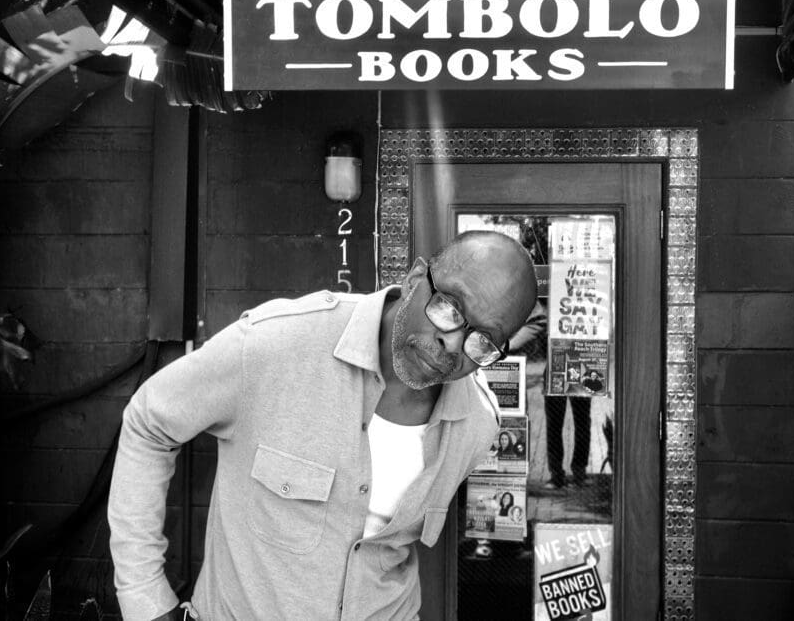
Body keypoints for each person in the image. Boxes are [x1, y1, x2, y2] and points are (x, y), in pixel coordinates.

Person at [107, 230, 538, 621]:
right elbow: (149, 422)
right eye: (448, 307)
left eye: (482, 340)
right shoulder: (276, 345)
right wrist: (145, 600)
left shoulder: (476, 424)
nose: (452, 343)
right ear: (413, 279)